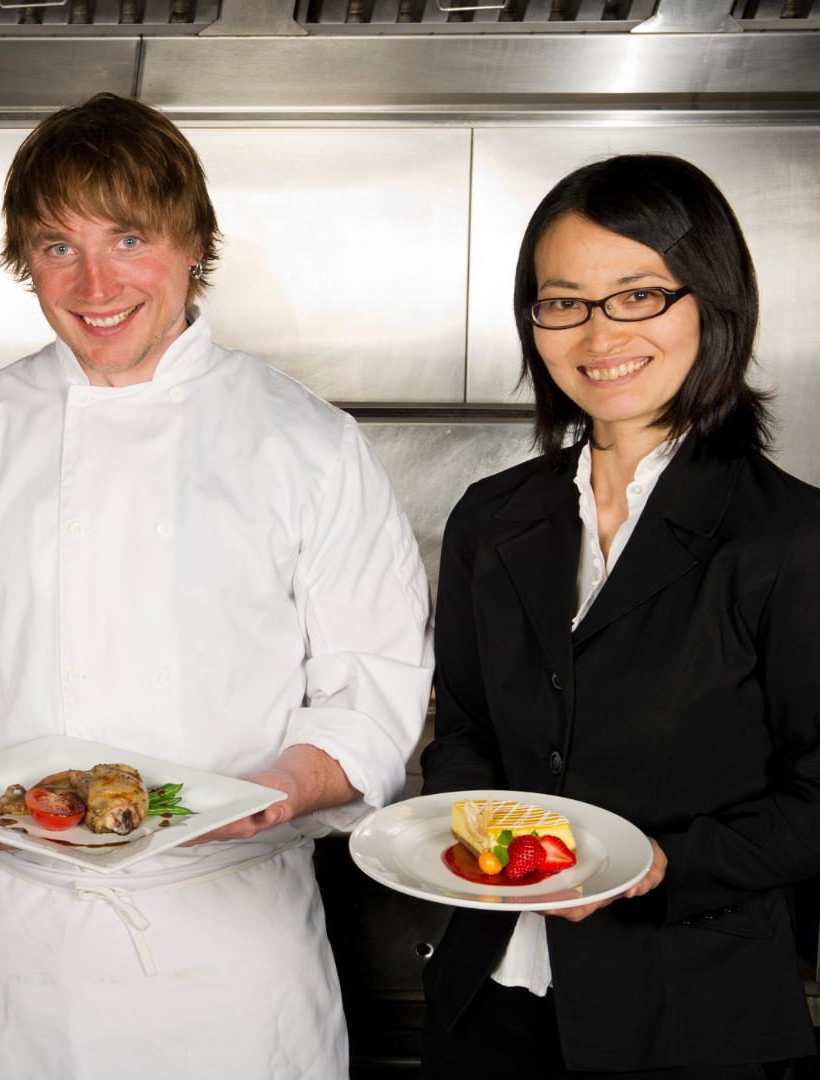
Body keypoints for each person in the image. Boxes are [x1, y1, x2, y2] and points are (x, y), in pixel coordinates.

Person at [0, 92, 433, 1076]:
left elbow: (374, 684)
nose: (95, 282)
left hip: (239, 960)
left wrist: (283, 789)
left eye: (129, 238)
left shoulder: (307, 443)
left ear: (193, 246)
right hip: (33, 957)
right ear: (22, 263)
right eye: (56, 247)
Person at [420, 154, 820, 1078]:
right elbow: (466, 730)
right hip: (492, 999)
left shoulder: (788, 536)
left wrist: (664, 864)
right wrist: (477, 828)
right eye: (564, 302)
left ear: (712, 302)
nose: (599, 334)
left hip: (691, 1019)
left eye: (638, 294)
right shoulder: (492, 516)